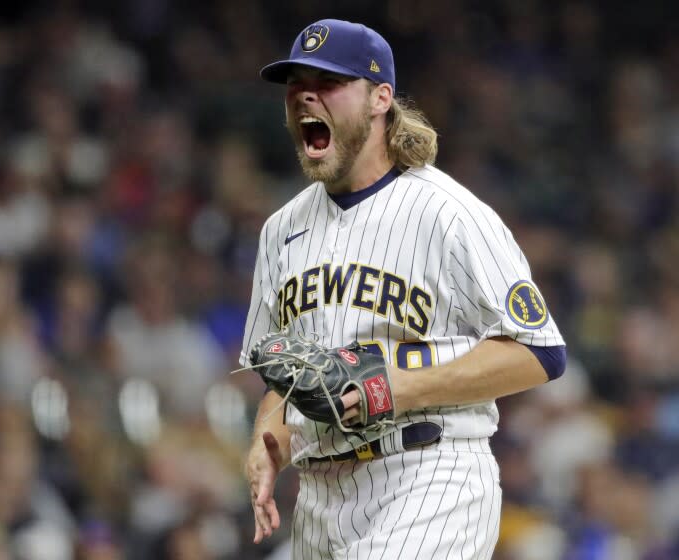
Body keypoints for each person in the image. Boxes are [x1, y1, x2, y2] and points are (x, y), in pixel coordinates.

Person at [241, 19, 566, 559]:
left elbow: (542, 351)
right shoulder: (281, 230)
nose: (305, 97)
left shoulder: (449, 213)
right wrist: (265, 441)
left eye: (328, 84)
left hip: (428, 475)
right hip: (320, 495)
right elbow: (285, 371)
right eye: (297, 84)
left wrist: (400, 386)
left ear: (380, 98)